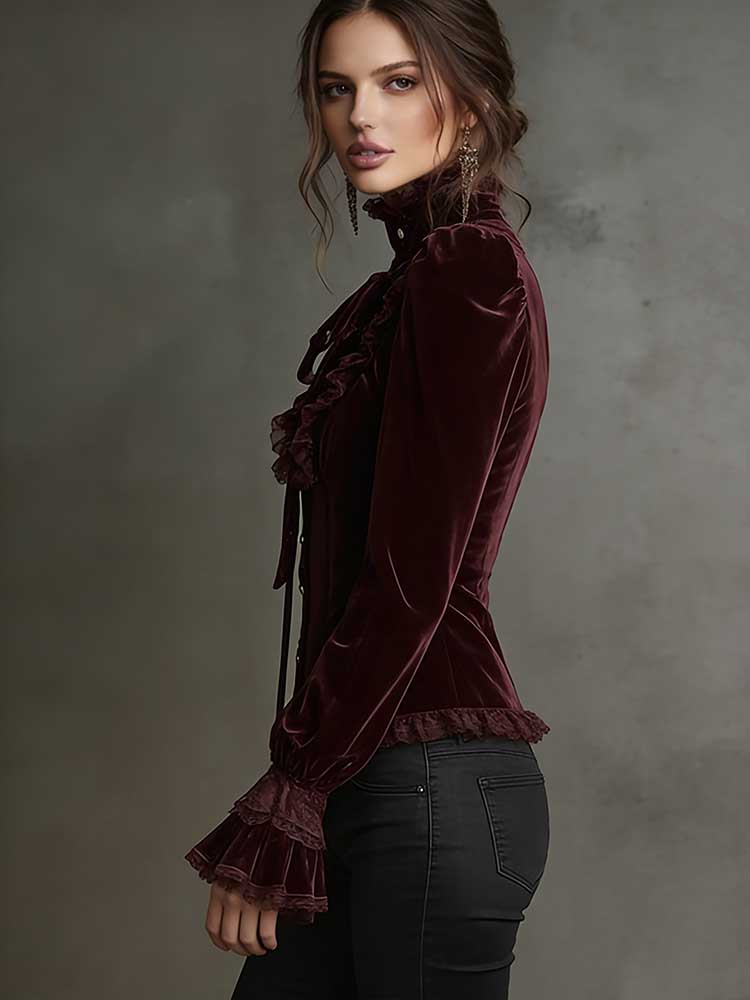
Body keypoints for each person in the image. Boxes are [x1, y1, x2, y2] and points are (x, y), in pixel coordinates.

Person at [184, 2, 551, 996]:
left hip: (427, 788)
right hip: (374, 774)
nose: (359, 116)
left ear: (469, 102)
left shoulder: (466, 269)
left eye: (398, 82)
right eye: (335, 88)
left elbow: (408, 579)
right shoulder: (420, 276)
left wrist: (293, 784)